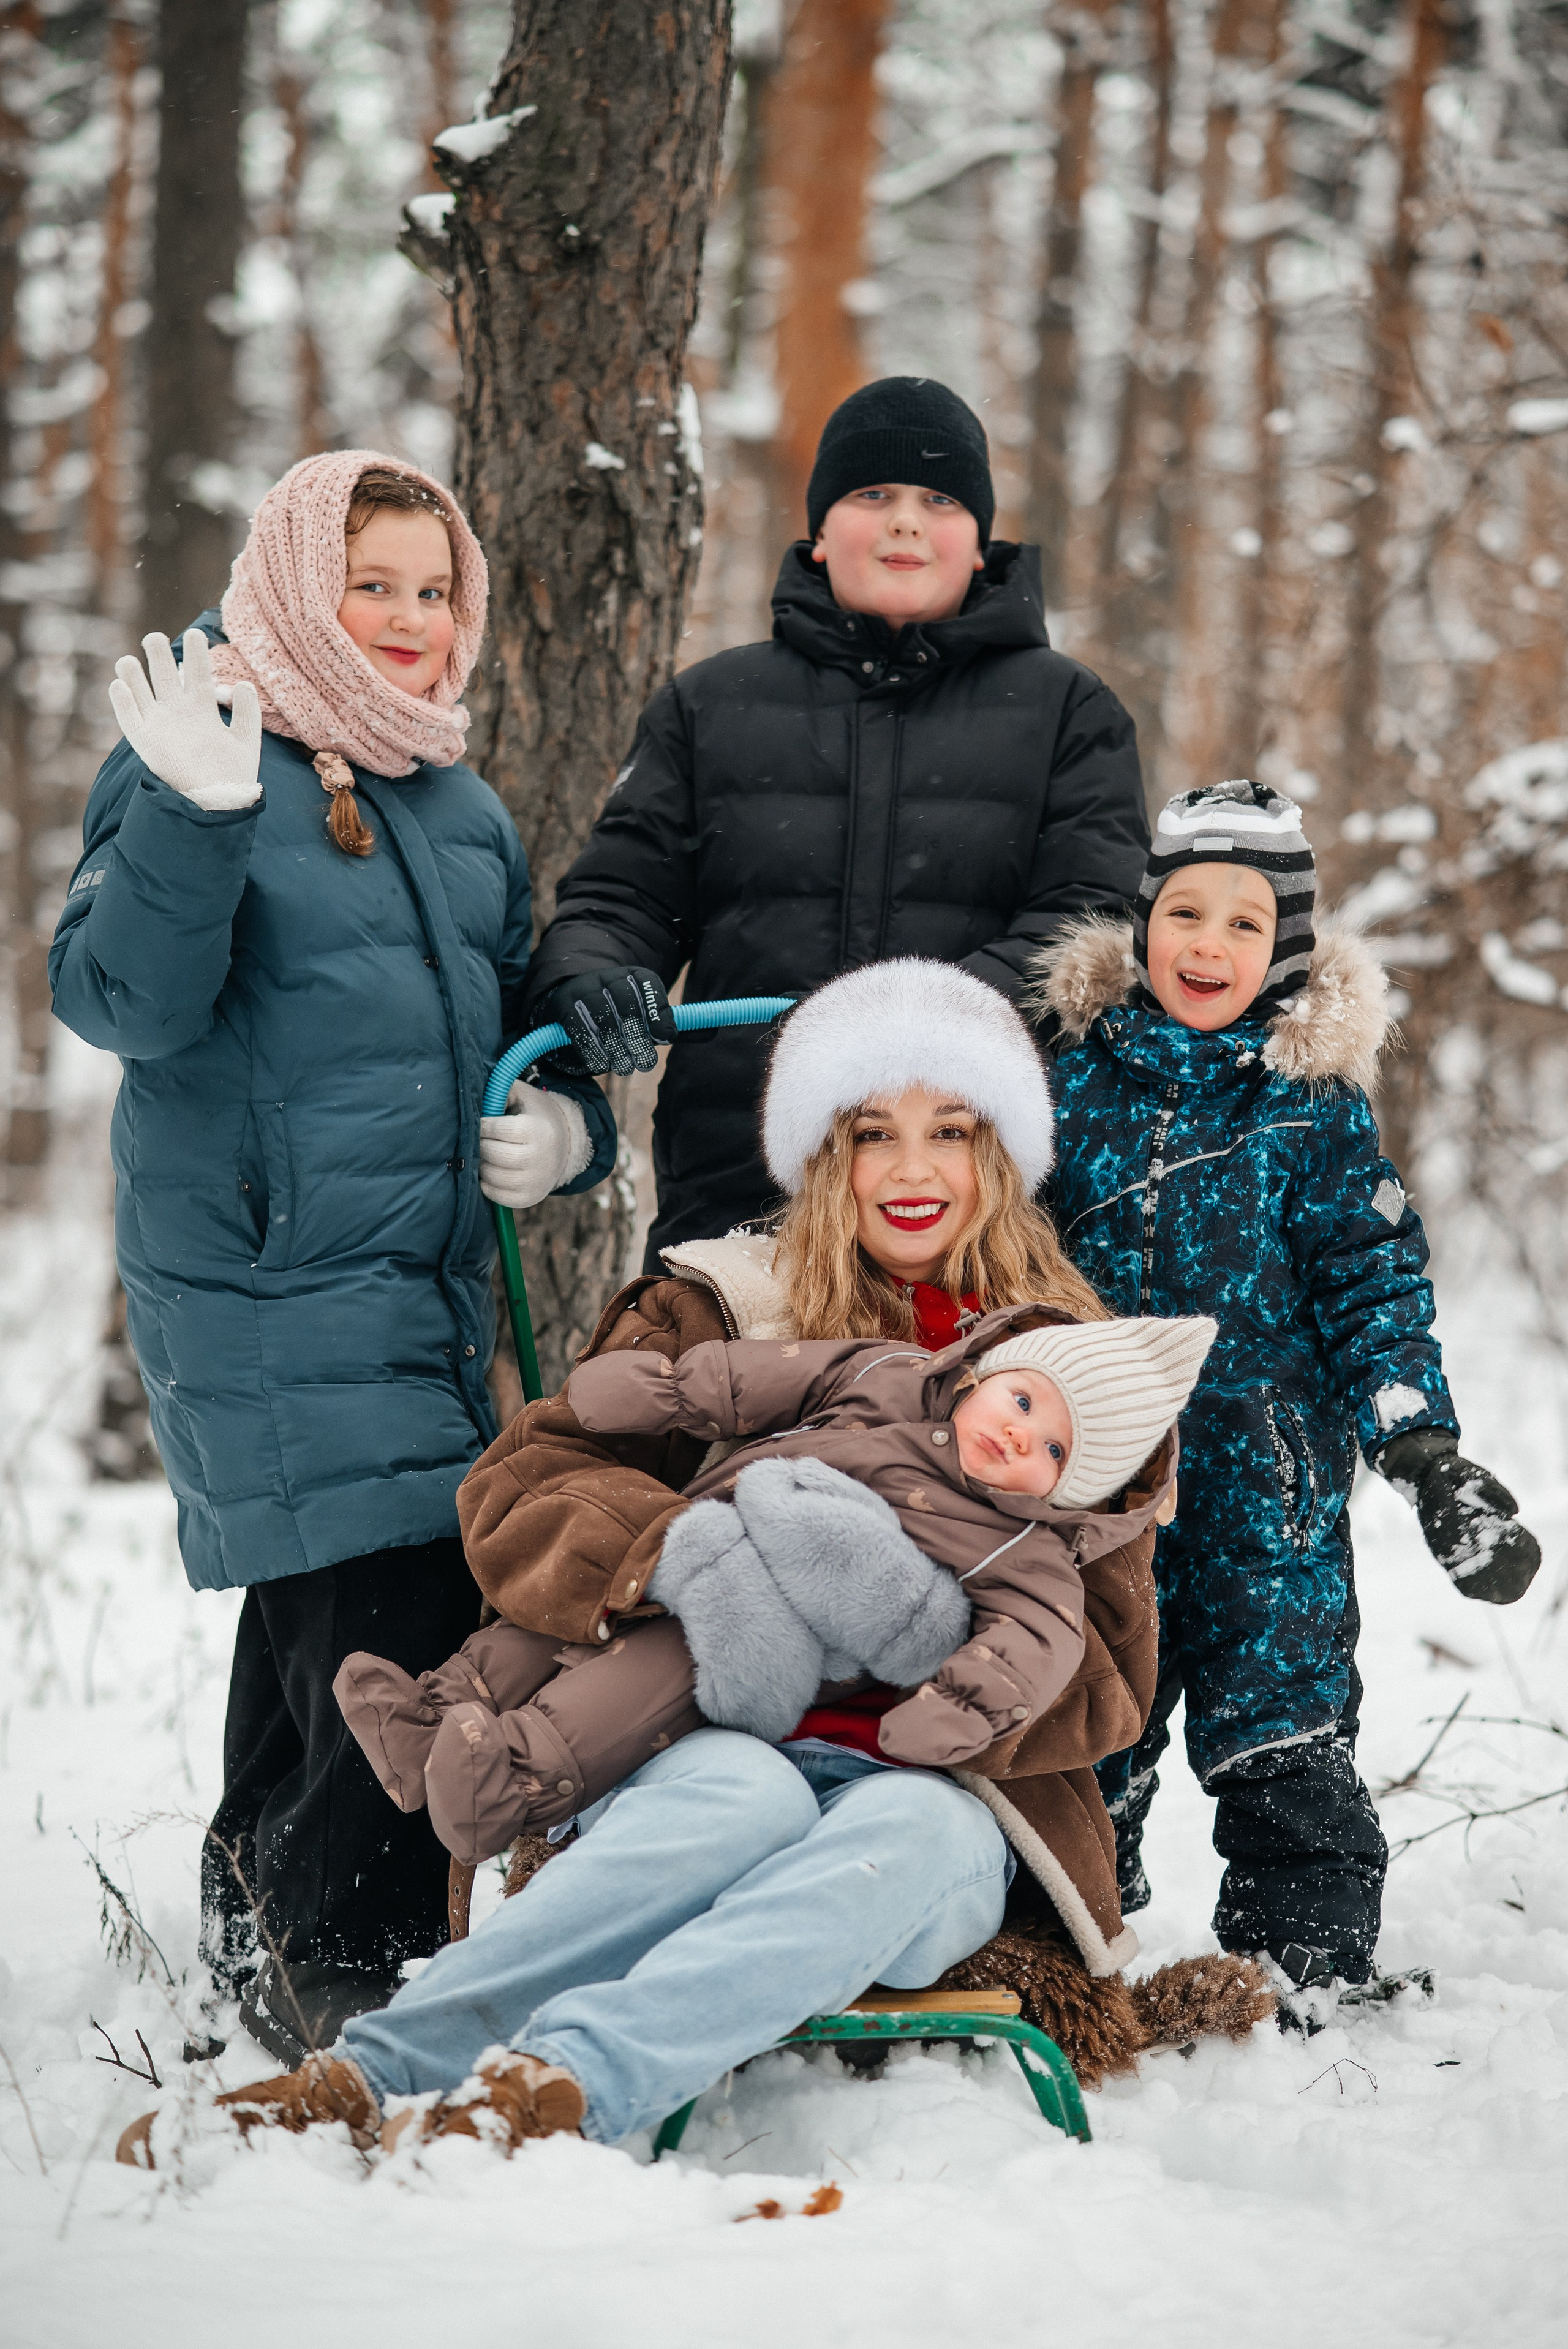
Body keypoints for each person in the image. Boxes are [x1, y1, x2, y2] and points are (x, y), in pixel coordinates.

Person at [118, 960, 1261, 2168]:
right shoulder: (727, 1301)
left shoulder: (1076, 1376)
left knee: (910, 1834)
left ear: (1002, 1156)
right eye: (873, 1133)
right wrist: (692, 1560)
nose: (912, 1171)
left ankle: (559, 2084)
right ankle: (372, 2075)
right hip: (693, 1726)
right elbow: (528, 1486)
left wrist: (915, 1635)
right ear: (822, 1150)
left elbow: (1107, 1669)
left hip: (948, 1787)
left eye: (952, 1132)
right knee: (740, 1795)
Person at [50, 452, 616, 2066]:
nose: (412, 619)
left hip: (418, 1294)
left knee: (326, 1619)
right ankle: (344, 1977)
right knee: (395, 1604)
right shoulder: (198, 754)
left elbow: (519, 1027)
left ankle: (248, 1929)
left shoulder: (460, 805)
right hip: (268, 1282)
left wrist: (569, 1128)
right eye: (374, 584)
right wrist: (194, 814)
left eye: (437, 590)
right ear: (301, 585)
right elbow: (119, 1001)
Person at [1035, 779, 1542, 2020]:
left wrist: (1424, 1455)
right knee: (1086, 1726)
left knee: (1285, 1731)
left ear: (1288, 949)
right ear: (1142, 925)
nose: (1208, 944)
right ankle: (1066, 1944)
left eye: (1245, 923)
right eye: (1185, 913)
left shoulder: (1309, 1110)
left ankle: (1302, 1965)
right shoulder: (1068, 1088)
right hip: (1096, 1488)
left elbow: (1373, 1284)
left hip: (1269, 1497)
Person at [510, 375, 1151, 1260]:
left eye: (940, 500)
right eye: (872, 494)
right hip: (740, 1193)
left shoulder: (1070, 712)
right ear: (818, 533)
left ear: (980, 544)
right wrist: (590, 977)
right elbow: (623, 899)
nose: (905, 522)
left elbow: (1090, 920)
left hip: (975, 1207)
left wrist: (914, 1026)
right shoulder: (709, 706)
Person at [336, 1307, 1215, 1860]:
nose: (1021, 1436)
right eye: (1025, 1402)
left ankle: (511, 1789)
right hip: (691, 1535)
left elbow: (1037, 1647)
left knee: (643, 1684)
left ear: (1070, 1494)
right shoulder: (889, 1374)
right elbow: (774, 1377)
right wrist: (669, 1394)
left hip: (771, 1636)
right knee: (546, 1628)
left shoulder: (1027, 1549)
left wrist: (961, 1706)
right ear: (990, 1369)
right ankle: (427, 1726)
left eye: (1055, 1449)